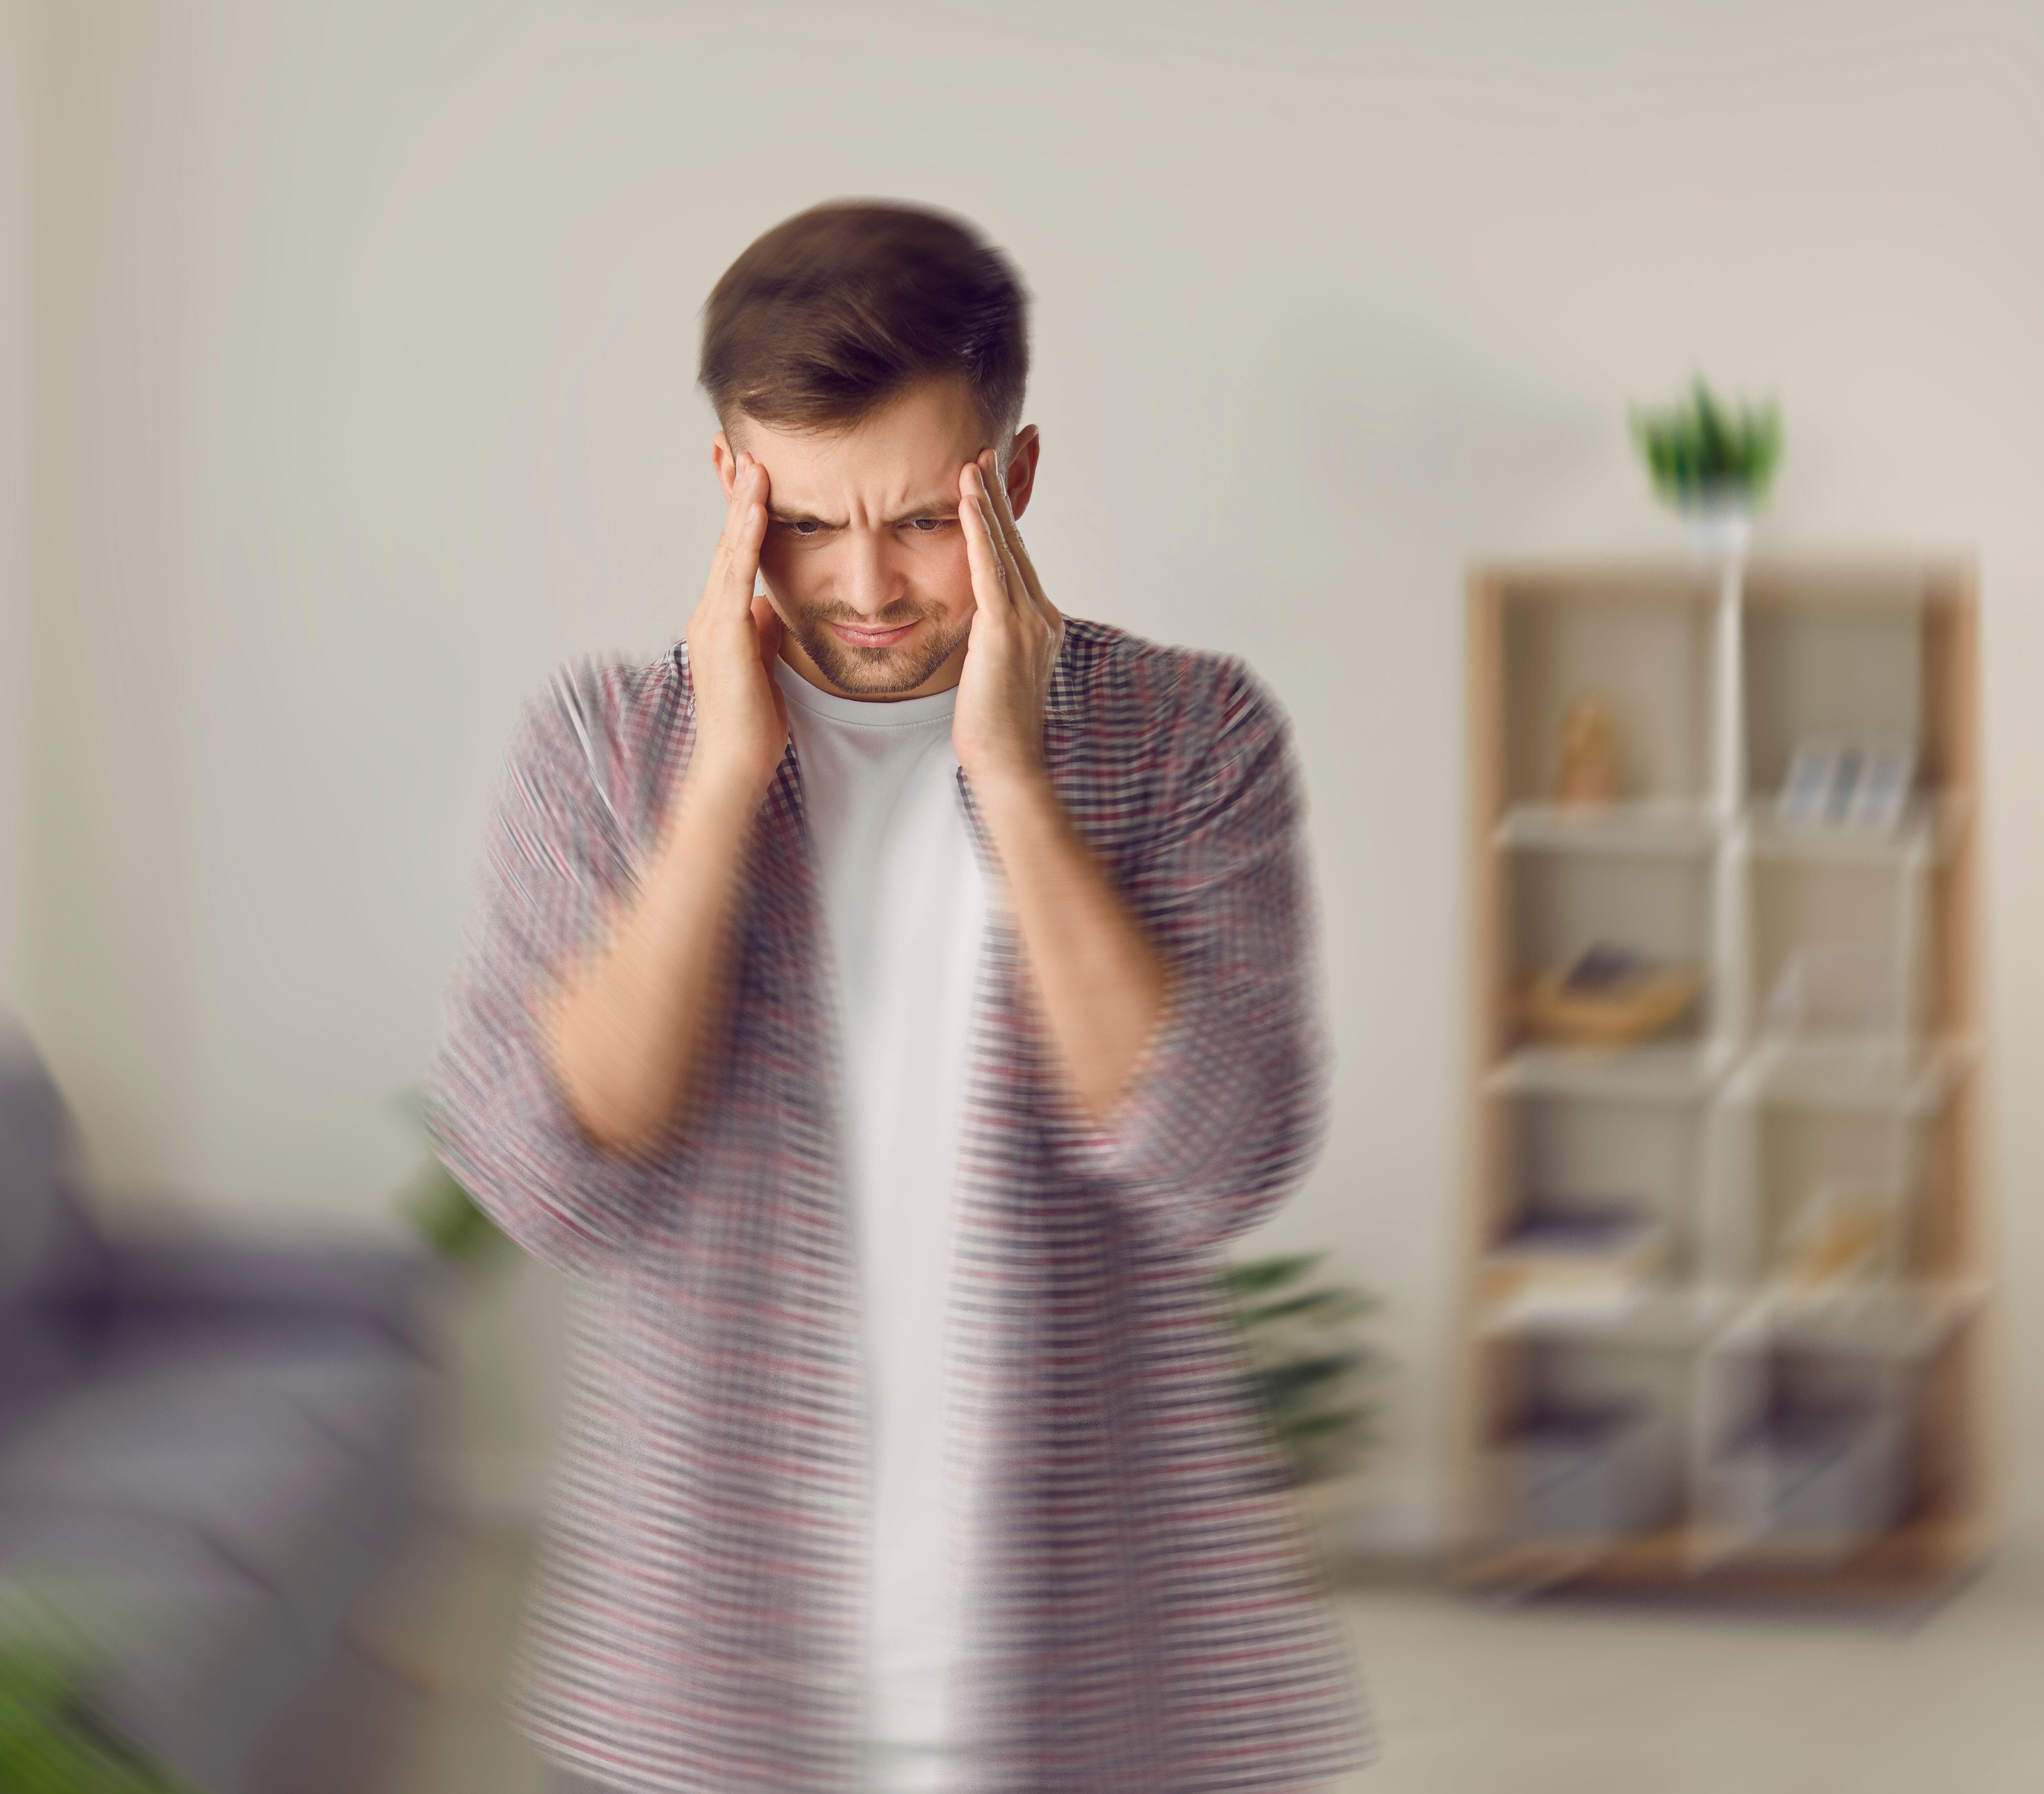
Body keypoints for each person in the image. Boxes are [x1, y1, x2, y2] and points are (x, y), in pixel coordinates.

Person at [428, 199, 1374, 1794]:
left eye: (920, 521)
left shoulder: (1188, 738)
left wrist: (1006, 774)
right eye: (803, 524)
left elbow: (1215, 1164)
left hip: (1091, 1662)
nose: (861, 585)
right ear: (731, 484)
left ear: (1008, 478)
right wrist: (724, 780)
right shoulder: (602, 748)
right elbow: (546, 1181)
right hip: (722, 1669)